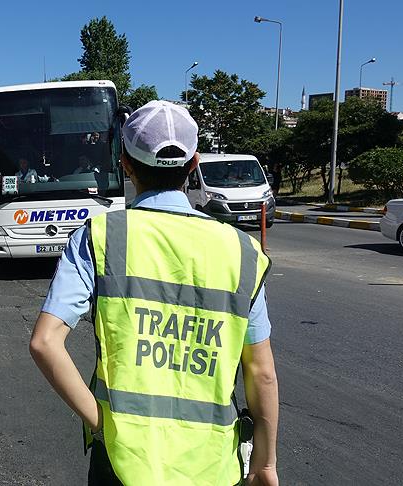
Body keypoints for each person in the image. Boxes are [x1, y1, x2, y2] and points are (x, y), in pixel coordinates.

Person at [29, 100, 279, 486]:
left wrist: (100, 423)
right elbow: (261, 373)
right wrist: (264, 465)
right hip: (211, 463)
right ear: (194, 165)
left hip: (123, 461)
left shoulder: (100, 236)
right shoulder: (243, 251)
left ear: (125, 165)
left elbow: (45, 343)